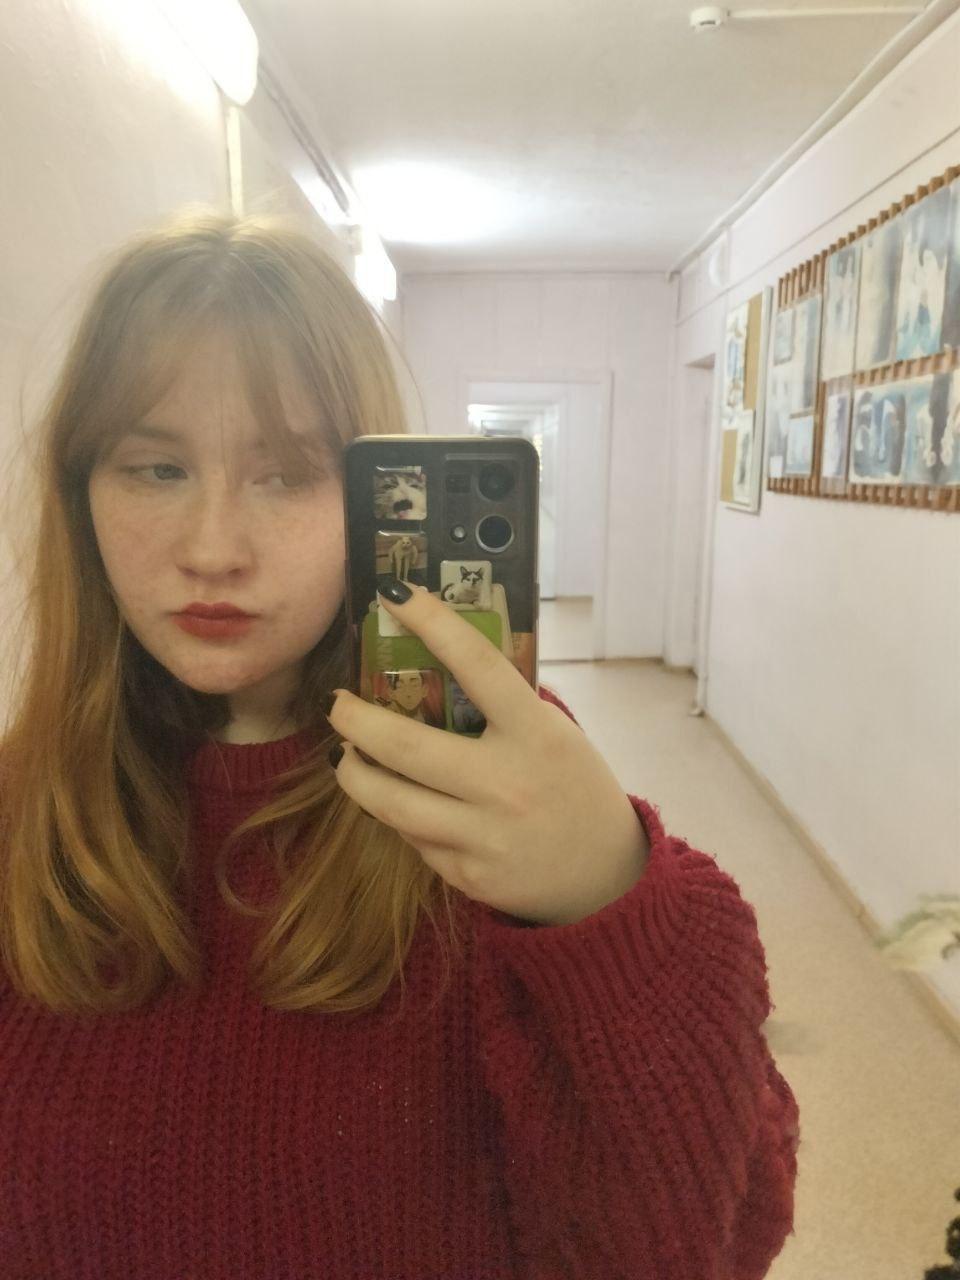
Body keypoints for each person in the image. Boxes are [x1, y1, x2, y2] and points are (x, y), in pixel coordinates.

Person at [0, 207, 800, 1279]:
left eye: (286, 473)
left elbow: (708, 1239)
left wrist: (609, 895)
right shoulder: (25, 808)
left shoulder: (489, 784)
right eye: (155, 469)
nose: (212, 548)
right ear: (80, 493)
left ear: (377, 503)